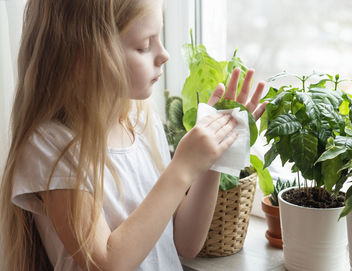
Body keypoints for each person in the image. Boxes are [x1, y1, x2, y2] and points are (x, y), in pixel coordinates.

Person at [0, 0, 267, 270]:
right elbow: (106, 262)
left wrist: (214, 158)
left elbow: (186, 242)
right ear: (83, 59)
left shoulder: (141, 122)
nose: (164, 54)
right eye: (144, 45)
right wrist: (183, 168)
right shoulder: (53, 147)